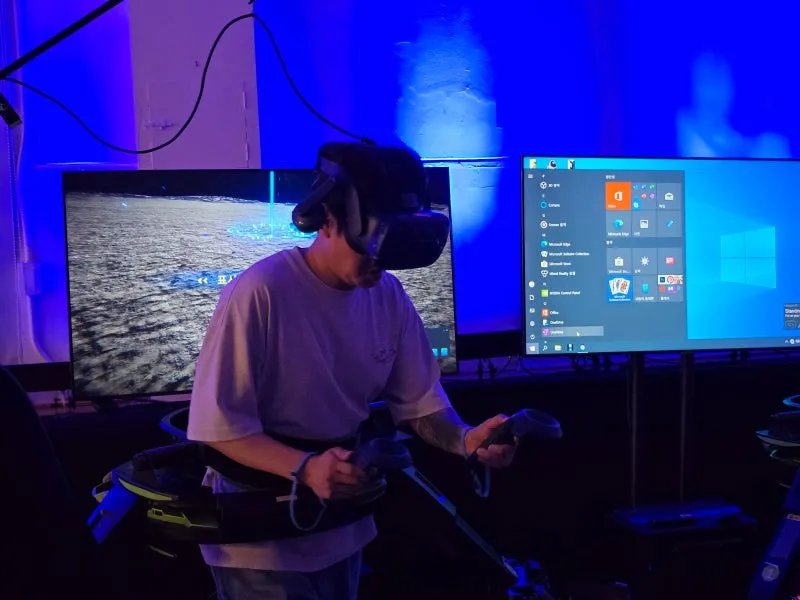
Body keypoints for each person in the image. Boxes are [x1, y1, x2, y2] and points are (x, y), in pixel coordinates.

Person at [187, 143, 518, 600]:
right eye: (373, 242)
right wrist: (305, 468)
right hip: (260, 535)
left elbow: (420, 406)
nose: (381, 262)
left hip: (343, 524)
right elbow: (219, 430)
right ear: (327, 219)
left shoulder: (388, 296)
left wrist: (465, 439)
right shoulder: (261, 292)